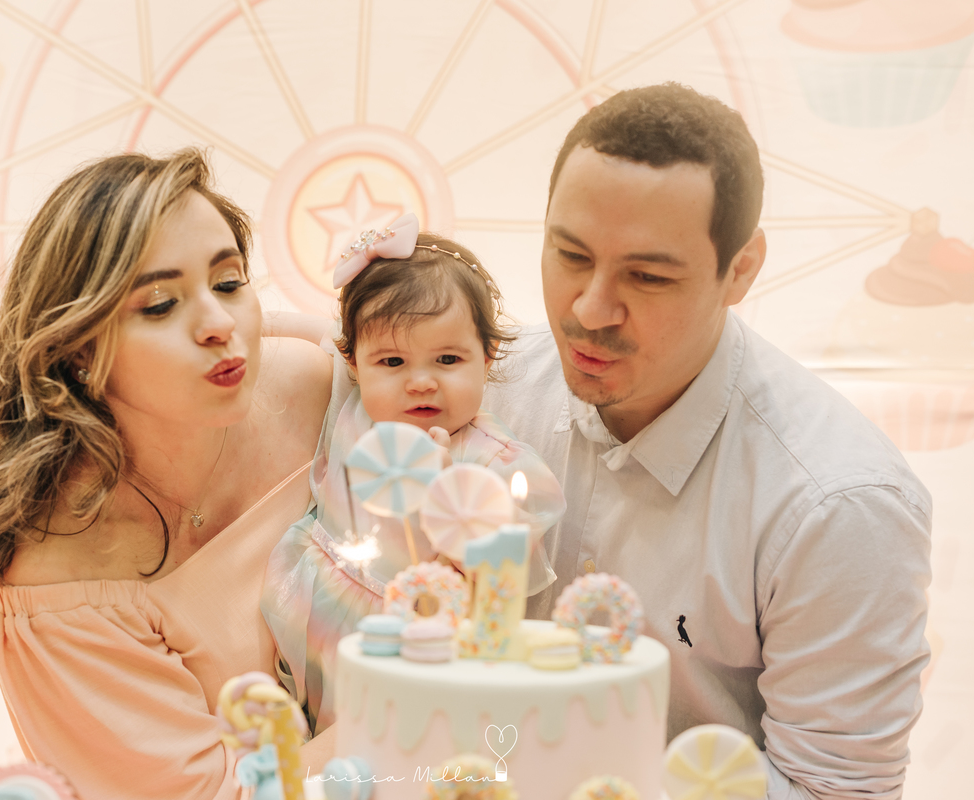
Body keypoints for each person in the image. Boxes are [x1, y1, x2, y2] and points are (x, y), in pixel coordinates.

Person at [482, 83, 932, 799]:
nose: (590, 309)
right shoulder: (482, 391)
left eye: (647, 276)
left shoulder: (839, 505)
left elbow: (832, 790)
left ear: (741, 269)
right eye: (569, 254)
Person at [0, 148, 334, 800]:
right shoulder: (63, 576)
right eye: (159, 304)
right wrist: (423, 707)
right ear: (75, 347)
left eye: (229, 283)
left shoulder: (321, 392)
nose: (220, 325)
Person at [261, 214, 564, 732]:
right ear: (353, 361)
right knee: (305, 735)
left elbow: (499, 573)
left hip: (405, 644)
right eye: (393, 362)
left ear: (487, 357)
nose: (420, 382)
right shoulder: (354, 400)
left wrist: (454, 503)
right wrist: (245, 328)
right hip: (311, 607)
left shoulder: (492, 462)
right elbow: (303, 328)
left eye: (447, 359)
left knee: (379, 747)